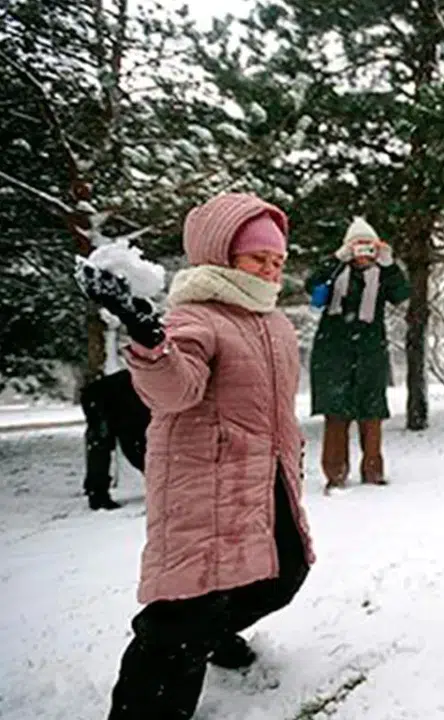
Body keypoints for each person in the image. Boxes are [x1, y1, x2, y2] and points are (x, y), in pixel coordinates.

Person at [78, 192, 316, 719]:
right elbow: (173, 391)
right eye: (258, 258)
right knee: (185, 613)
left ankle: (211, 636)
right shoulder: (197, 317)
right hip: (204, 484)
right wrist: (149, 340)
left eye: (277, 260)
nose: (271, 270)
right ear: (221, 255)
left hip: (265, 478)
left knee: (284, 572)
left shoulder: (275, 324)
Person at [305, 217, 410, 491]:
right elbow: (311, 285)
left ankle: (373, 472)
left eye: (369, 247)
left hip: (370, 352)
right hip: (333, 353)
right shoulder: (335, 271)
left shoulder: (382, 274)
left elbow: (401, 294)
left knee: (372, 413)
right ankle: (335, 474)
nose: (364, 254)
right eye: (358, 247)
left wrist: (390, 264)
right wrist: (336, 259)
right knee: (336, 414)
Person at [79, 369, 150, 510]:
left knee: (103, 444)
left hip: (112, 398)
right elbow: (135, 447)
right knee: (102, 443)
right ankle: (97, 495)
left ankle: (94, 489)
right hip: (103, 398)